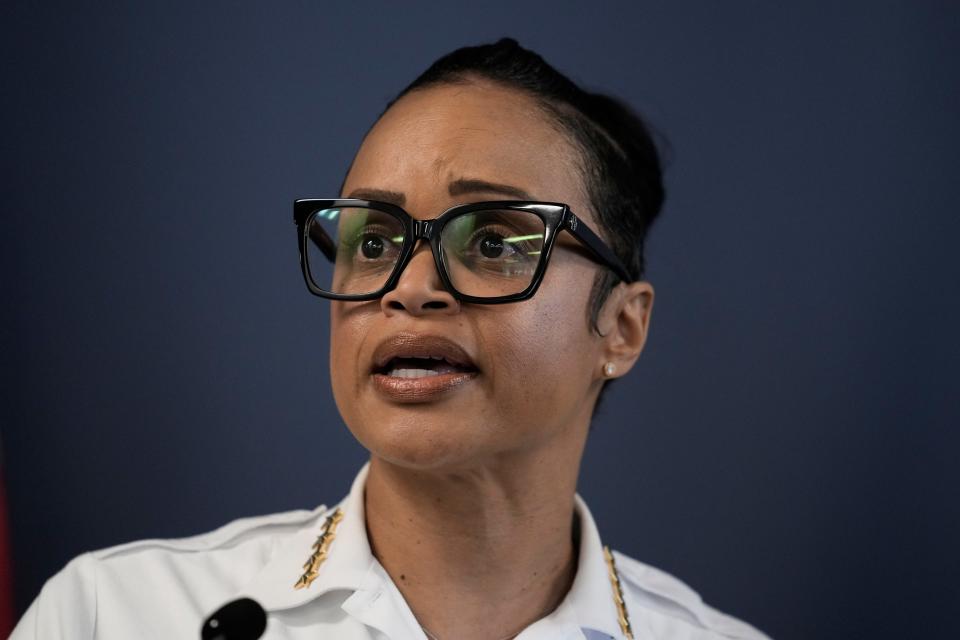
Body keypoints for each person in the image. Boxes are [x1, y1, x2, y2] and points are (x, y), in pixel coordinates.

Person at [12, 39, 770, 640]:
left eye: (496, 242)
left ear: (622, 326)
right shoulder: (113, 617)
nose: (407, 287)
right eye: (372, 241)